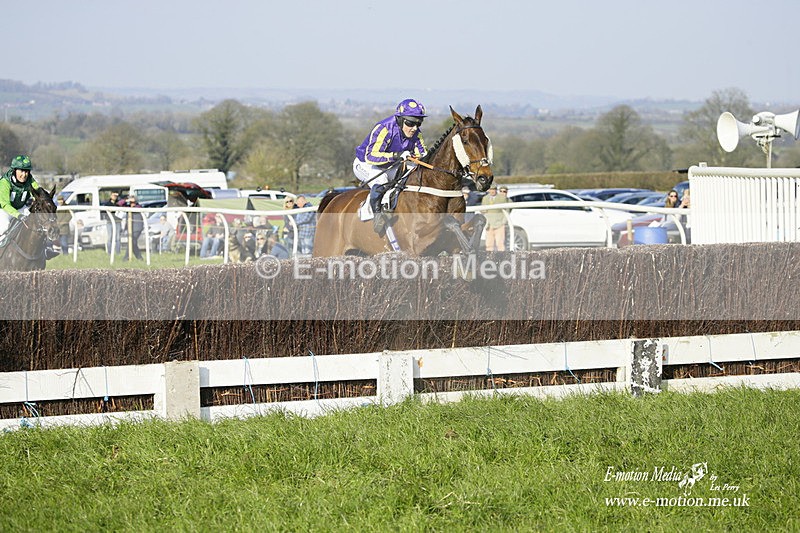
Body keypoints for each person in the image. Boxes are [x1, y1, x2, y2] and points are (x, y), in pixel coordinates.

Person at [354, 98, 428, 233]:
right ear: (400, 120)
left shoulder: (417, 134)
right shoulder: (384, 128)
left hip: (390, 166)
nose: (414, 128)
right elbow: (370, 156)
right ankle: (376, 215)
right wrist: (396, 155)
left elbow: (423, 155)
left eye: (419, 123)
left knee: (413, 176)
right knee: (381, 180)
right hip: (365, 164)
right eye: (410, 123)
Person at [0, 155, 41, 237]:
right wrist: (18, 215)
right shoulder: (5, 182)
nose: (24, 174)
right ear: (14, 170)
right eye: (22, 171)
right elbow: (5, 204)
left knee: (36, 221)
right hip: (5, 211)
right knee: (4, 226)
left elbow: (38, 194)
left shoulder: (30, 180)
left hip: (21, 208)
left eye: (27, 171)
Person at [482, 184, 507, 251]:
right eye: (491, 189)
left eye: (494, 189)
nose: (492, 191)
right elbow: (482, 210)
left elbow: (506, 210)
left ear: (496, 190)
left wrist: (503, 222)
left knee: (500, 244)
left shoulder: (502, 198)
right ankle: (489, 259)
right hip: (489, 225)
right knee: (489, 245)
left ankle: (502, 259)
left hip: (499, 225)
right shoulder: (485, 198)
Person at [122, 194, 143, 261]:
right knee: (133, 243)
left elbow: (138, 208)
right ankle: (139, 258)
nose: (132, 203)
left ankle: (126, 258)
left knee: (131, 242)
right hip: (130, 228)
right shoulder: (127, 206)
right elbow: (119, 203)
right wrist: (126, 200)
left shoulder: (138, 206)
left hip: (137, 228)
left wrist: (134, 202)